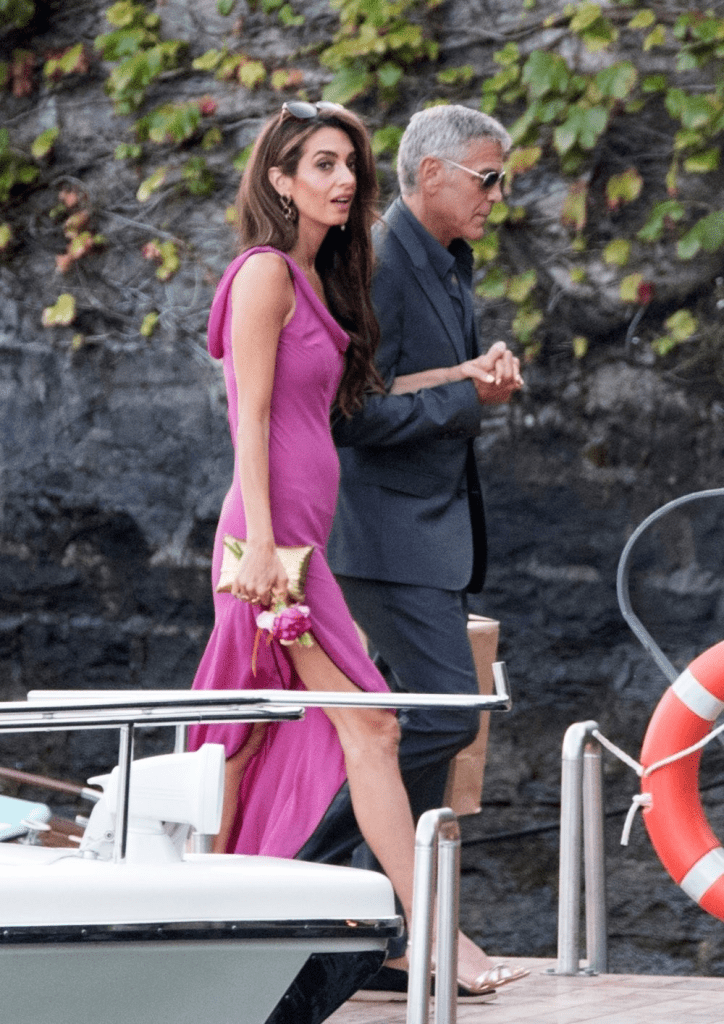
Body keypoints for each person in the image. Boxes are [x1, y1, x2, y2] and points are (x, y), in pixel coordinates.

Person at [186, 101, 513, 1000]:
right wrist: (260, 545)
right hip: (271, 545)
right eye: (321, 165)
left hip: (300, 539)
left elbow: (346, 398)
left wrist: (461, 376)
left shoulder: (316, 277)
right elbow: (250, 418)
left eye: (349, 167)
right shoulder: (264, 273)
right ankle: (432, 934)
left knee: (248, 736)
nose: (343, 182)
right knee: (368, 727)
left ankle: (212, 911)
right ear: (280, 181)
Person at [298, 104, 526, 998]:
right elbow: (347, 413)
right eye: (487, 178)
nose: (496, 196)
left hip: (429, 534)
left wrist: (474, 376)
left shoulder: (442, 259)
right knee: (444, 716)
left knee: (413, 723)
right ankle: (310, 878)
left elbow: (404, 384)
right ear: (431, 174)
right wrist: (469, 399)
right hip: (385, 535)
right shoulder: (382, 262)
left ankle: (386, 933)